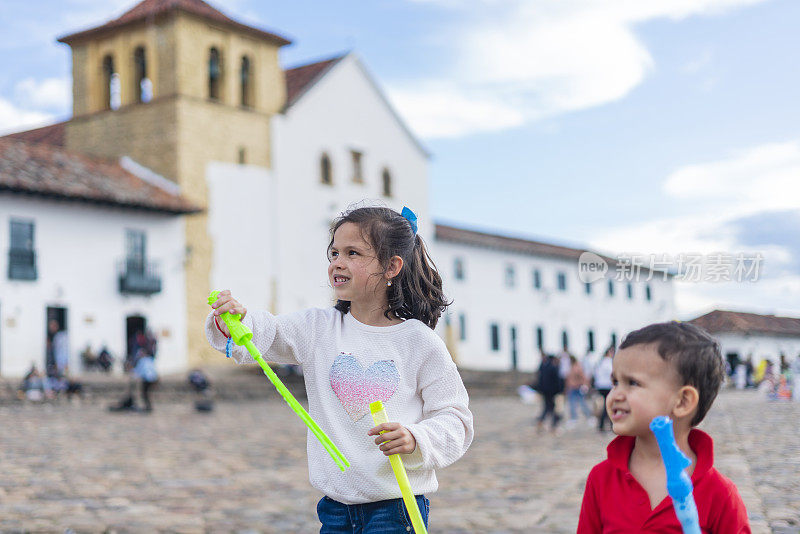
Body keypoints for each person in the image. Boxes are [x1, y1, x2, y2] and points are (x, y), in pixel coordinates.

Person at [206, 205, 473, 533]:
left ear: (391, 267)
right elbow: (267, 334)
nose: (337, 262)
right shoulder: (317, 328)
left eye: (353, 253)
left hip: (397, 507)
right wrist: (235, 320)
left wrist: (416, 438)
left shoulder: (419, 341)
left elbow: (455, 419)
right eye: (334, 252)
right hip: (335, 508)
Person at [578, 322, 751, 533]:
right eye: (615, 382)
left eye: (632, 383)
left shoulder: (720, 494)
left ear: (682, 402)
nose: (616, 395)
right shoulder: (601, 479)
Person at [536, 352, 563, 433]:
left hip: (545, 391)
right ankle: (553, 425)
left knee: (547, 407)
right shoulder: (553, 367)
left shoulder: (543, 367)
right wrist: (559, 390)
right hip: (552, 392)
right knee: (553, 408)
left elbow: (540, 379)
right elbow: (557, 381)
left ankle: (541, 421)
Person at [565, 355, 593, 428]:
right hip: (572, 388)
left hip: (577, 388)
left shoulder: (577, 367)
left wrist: (585, 385)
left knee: (582, 403)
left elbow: (583, 377)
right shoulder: (571, 367)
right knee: (572, 404)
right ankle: (573, 418)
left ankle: (589, 417)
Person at [593, 345, 614, 432]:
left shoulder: (600, 362)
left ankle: (603, 425)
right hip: (607, 386)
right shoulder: (608, 362)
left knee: (606, 405)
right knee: (608, 406)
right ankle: (609, 424)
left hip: (600, 386)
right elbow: (612, 374)